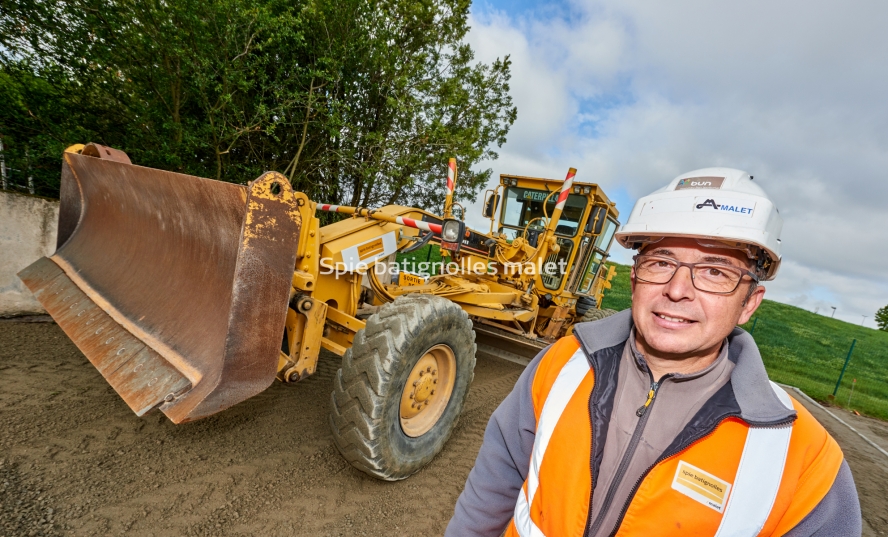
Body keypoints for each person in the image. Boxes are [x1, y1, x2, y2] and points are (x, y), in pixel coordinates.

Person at [446, 168, 861, 536]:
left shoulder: (803, 458)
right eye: (661, 262)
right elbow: (495, 480)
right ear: (634, 277)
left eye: (716, 271)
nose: (677, 290)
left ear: (750, 303)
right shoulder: (562, 364)